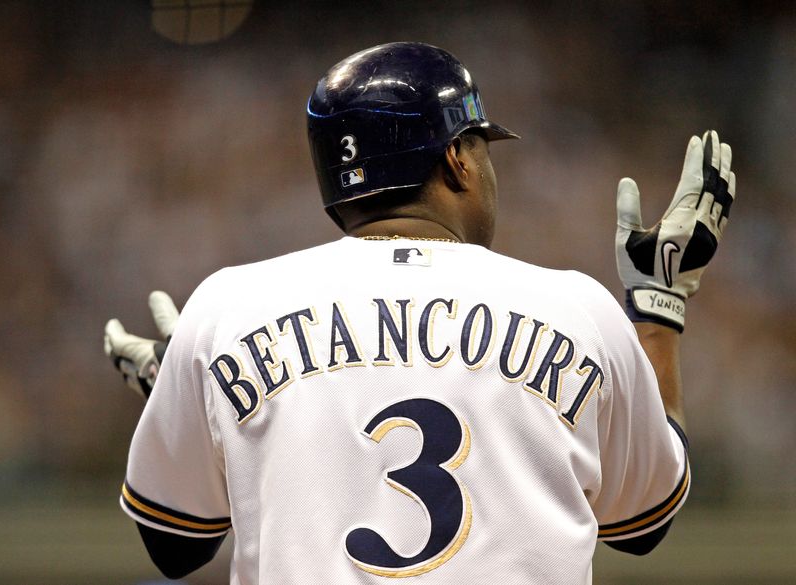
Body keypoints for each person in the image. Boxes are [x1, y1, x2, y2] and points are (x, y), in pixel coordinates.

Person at [105, 42, 735, 584]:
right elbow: (644, 524)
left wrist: (200, 396)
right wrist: (657, 309)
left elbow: (176, 546)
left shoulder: (226, 311)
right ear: (457, 158)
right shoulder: (578, 309)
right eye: (483, 147)